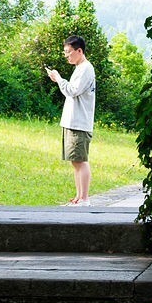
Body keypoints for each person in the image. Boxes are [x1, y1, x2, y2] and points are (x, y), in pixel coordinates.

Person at [44, 33, 96, 205]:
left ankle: (85, 199)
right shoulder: (79, 68)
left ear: (79, 51)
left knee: (81, 160)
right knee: (75, 161)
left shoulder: (86, 68)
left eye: (68, 52)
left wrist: (58, 78)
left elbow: (72, 91)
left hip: (79, 123)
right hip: (71, 121)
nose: (66, 55)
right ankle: (78, 197)